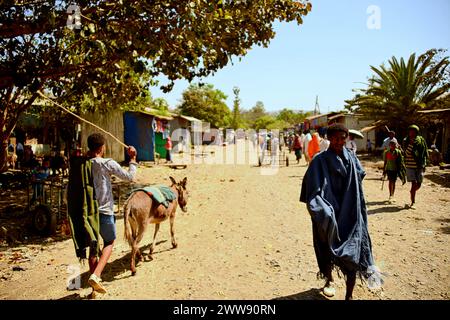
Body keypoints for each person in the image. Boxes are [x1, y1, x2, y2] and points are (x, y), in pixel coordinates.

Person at [300, 123, 380, 300]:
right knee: (327, 248)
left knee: (353, 253)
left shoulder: (351, 158)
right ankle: (329, 279)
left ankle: (349, 296)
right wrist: (323, 211)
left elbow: (359, 178)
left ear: (346, 139)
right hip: (328, 213)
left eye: (342, 138)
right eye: (335, 138)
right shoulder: (319, 161)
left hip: (350, 212)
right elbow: (312, 189)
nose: (338, 142)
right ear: (328, 139)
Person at [87, 133, 138, 293]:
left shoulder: (84, 164)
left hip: (88, 213)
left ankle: (94, 289)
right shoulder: (107, 163)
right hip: (105, 211)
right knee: (109, 242)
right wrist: (133, 159)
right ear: (102, 148)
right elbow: (130, 177)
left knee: (93, 246)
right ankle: (96, 275)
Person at [402, 125, 429, 209]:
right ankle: (413, 201)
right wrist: (410, 144)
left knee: (419, 183)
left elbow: (424, 153)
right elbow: (406, 153)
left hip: (419, 165)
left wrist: (424, 164)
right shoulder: (406, 141)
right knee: (413, 183)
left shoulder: (421, 140)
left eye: (413, 131)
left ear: (416, 132)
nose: (411, 133)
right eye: (410, 131)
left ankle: (412, 192)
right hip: (410, 165)